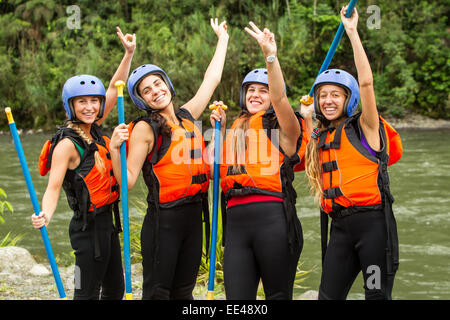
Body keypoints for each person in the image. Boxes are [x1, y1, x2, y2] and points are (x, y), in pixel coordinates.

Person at [109, 18, 228, 300]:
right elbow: (127, 180)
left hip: (193, 216)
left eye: (158, 84)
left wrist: (222, 39)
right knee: (158, 292)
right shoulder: (144, 129)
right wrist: (115, 149)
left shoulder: (186, 117)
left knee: (185, 290)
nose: (155, 91)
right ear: (142, 100)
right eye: (146, 91)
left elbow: (211, 80)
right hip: (164, 222)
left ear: (168, 84)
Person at [303, 7, 403, 300]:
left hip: (372, 228)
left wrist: (352, 32)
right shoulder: (320, 134)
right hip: (341, 230)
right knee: (328, 296)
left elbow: (367, 82)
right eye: (323, 95)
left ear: (349, 99)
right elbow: (303, 145)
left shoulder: (366, 126)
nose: (328, 100)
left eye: (335, 94)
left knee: (375, 295)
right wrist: (306, 115)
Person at [32, 27, 136, 300]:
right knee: (85, 292)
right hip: (86, 230)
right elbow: (53, 187)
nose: (89, 107)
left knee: (114, 289)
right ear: (71, 106)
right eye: (82, 102)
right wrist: (45, 215)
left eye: (94, 101)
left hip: (107, 225)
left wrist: (129, 54)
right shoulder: (67, 144)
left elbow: (115, 88)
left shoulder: (95, 129)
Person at [209, 22, 308, 300]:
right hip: (236, 225)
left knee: (277, 296)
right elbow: (214, 173)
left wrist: (270, 56)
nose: (255, 94)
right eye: (250, 89)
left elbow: (280, 96)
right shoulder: (234, 129)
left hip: (273, 220)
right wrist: (218, 132)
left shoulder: (284, 127)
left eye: (262, 90)